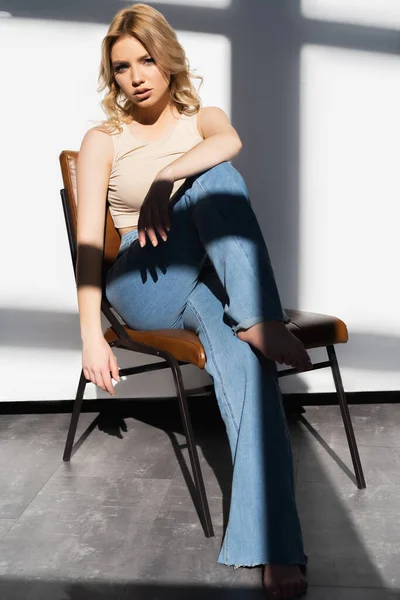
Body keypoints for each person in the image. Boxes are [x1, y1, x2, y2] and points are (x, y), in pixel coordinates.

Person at [76, 3, 312, 598]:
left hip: (202, 279)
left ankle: (274, 546)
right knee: (218, 179)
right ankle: (258, 316)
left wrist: (164, 179)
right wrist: (87, 335)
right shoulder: (103, 139)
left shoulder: (203, 117)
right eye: (123, 65)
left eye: (147, 58)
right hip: (142, 279)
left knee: (246, 370)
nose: (136, 75)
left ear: (168, 58)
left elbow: (229, 140)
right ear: (114, 75)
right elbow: (86, 245)